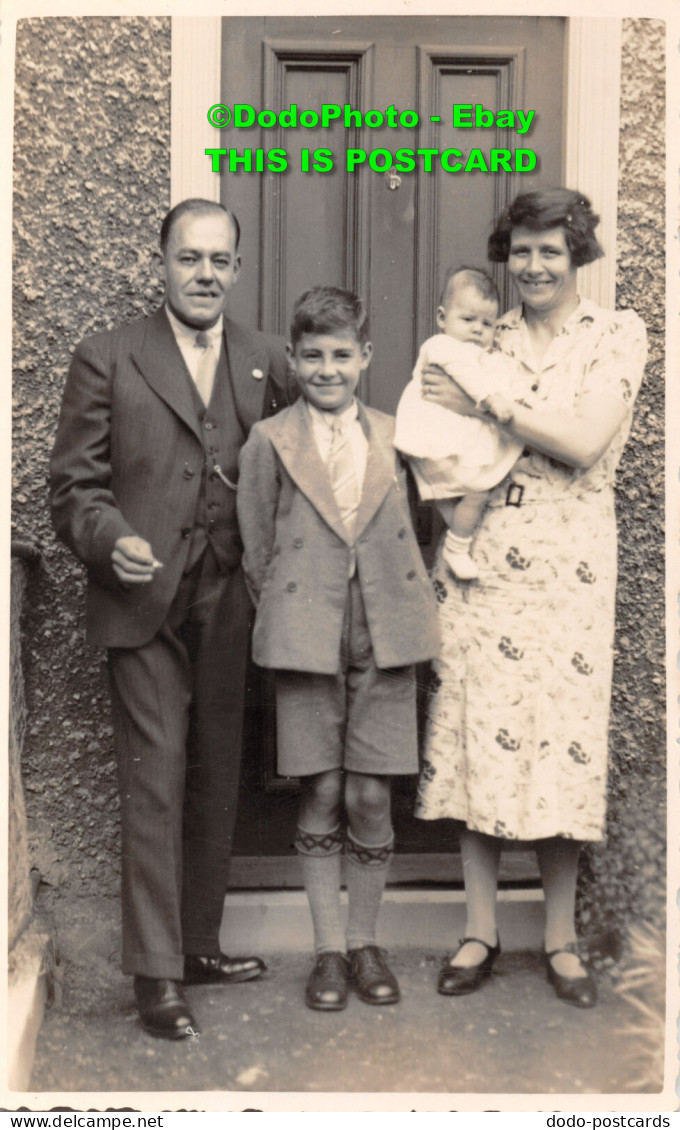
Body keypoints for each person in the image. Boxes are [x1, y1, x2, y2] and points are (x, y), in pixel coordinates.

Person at [50, 199, 291, 1039]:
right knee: (155, 780)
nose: (204, 275)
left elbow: (304, 464)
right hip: (142, 602)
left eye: (219, 261)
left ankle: (198, 944)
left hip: (231, 600)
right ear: (160, 262)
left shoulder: (266, 359)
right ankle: (156, 976)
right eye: (189, 258)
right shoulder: (108, 356)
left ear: (237, 269)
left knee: (216, 772)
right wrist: (109, 540)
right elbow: (72, 489)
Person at [415, 188, 647, 1008]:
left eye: (552, 249)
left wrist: (492, 403)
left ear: (579, 251)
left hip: (575, 566)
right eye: (521, 250)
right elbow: (436, 426)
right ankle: (479, 930)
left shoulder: (617, 333)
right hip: (487, 560)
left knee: (564, 736)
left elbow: (585, 442)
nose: (535, 265)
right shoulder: (486, 335)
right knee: (481, 732)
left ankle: (559, 938)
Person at [237, 286, 439, 1011]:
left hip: (386, 633)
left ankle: (364, 941)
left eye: (342, 355)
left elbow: (426, 526)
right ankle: (326, 951)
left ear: (366, 357)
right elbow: (257, 549)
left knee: (369, 792)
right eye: (313, 356)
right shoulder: (270, 442)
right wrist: (298, 612)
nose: (328, 369)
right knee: (321, 788)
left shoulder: (395, 435)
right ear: (292, 360)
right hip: (306, 634)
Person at [394, 267, 523, 579]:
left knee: (467, 493)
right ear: (442, 318)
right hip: (435, 439)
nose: (478, 330)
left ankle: (459, 539)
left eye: (487, 323)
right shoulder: (442, 346)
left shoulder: (483, 355)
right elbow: (466, 375)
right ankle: (458, 546)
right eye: (468, 320)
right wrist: (491, 398)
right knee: (478, 486)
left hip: (451, 441)